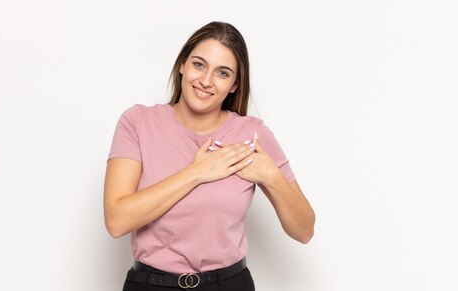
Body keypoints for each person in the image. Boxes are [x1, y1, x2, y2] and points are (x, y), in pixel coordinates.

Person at [104, 21, 315, 291]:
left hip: (228, 284)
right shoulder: (137, 122)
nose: (205, 81)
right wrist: (197, 173)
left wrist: (271, 176)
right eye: (199, 64)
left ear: (235, 85)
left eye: (222, 73)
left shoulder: (252, 136)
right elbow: (117, 221)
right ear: (182, 64)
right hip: (150, 284)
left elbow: (304, 230)